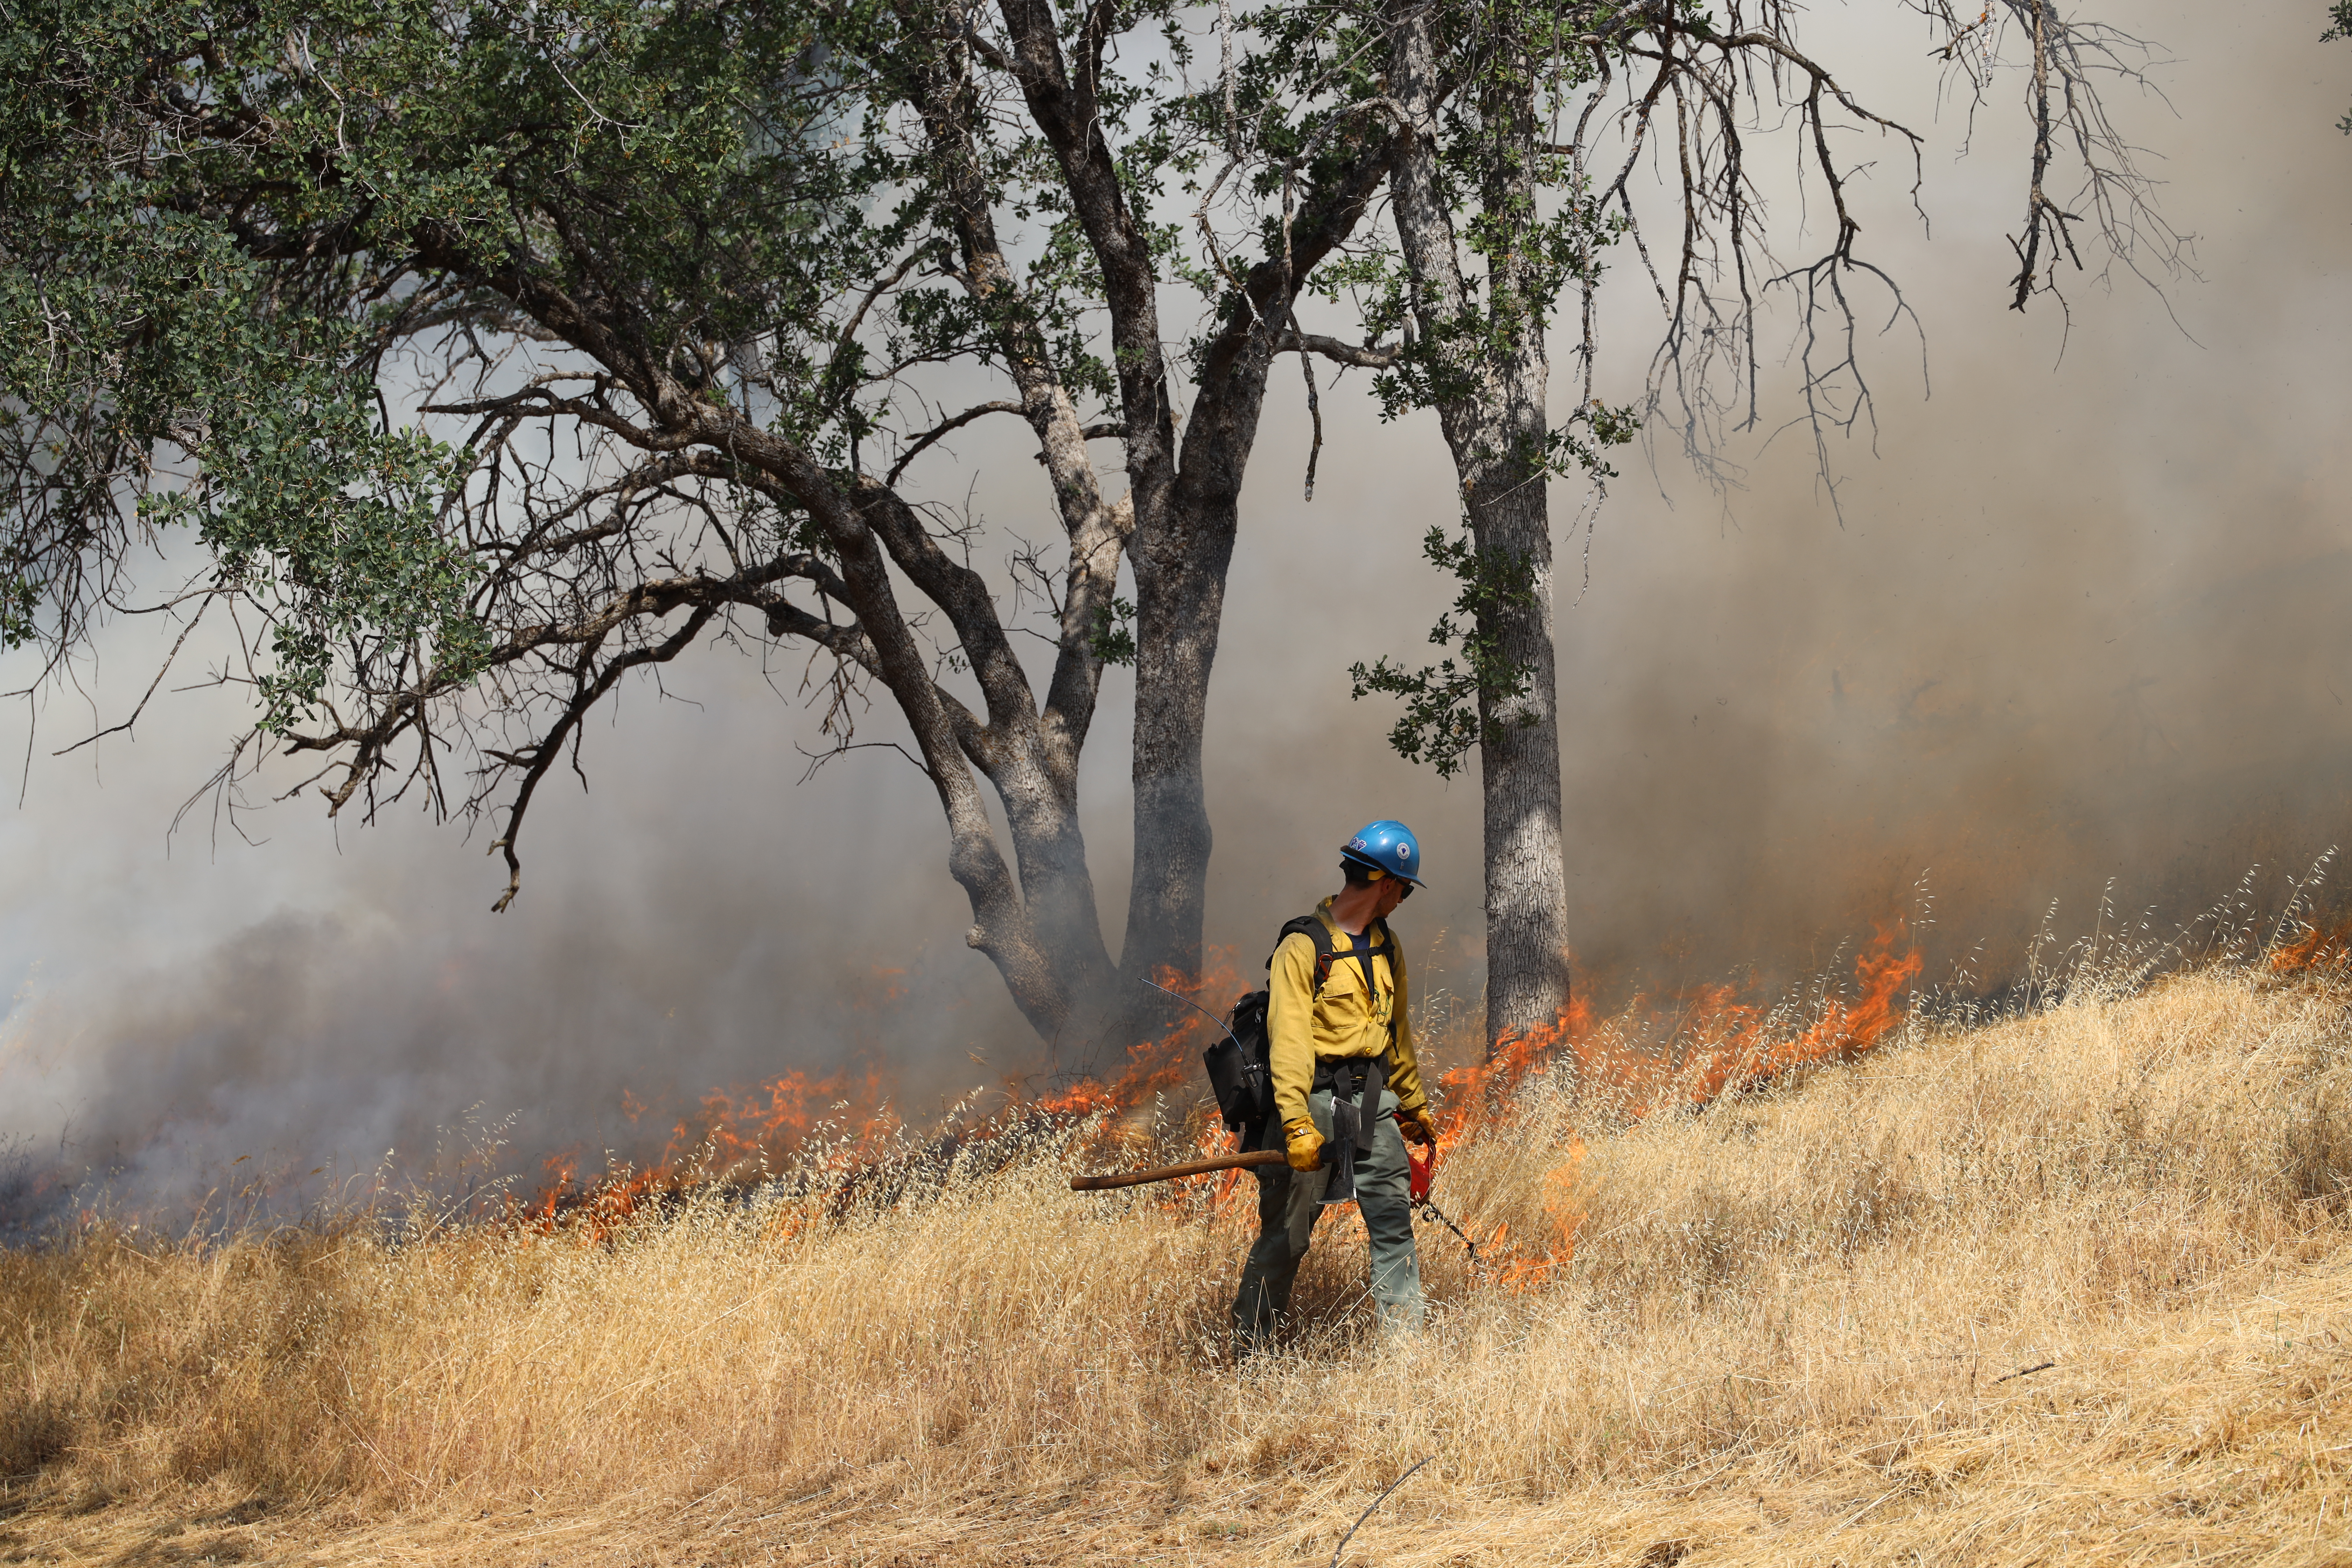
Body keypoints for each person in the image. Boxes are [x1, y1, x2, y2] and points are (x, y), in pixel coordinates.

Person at [1231, 820, 1438, 1349]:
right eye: (1405, 890)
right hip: (1313, 1105)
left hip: (1373, 1104)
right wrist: (1296, 1124)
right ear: (1389, 885)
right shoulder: (1302, 947)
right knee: (1287, 1239)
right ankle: (1252, 1353)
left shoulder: (1385, 945)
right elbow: (1290, 1043)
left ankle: (1406, 1359)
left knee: (1394, 1231)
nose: (1402, 902)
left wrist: (1412, 1104)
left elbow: (1398, 1032)